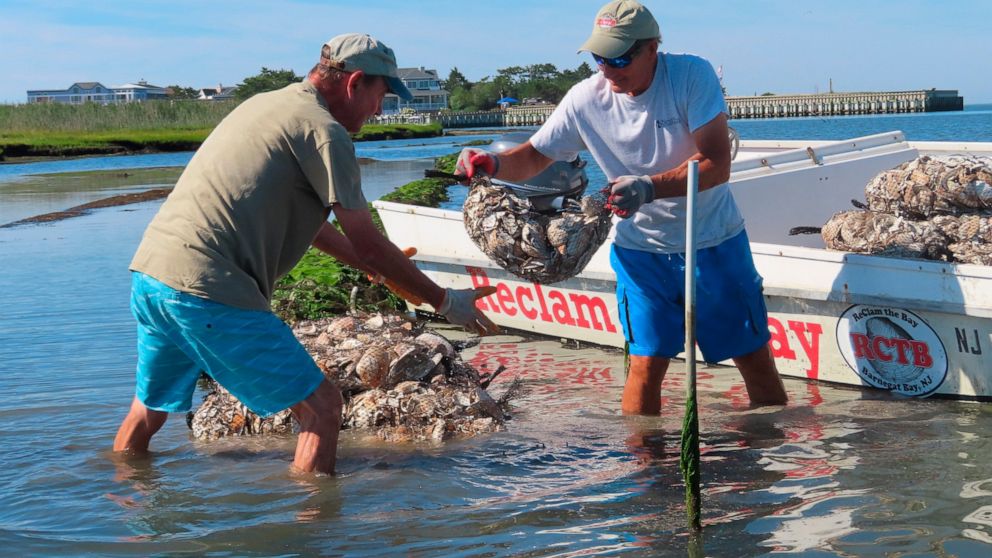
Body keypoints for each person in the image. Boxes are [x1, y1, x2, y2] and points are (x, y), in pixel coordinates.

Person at [114, 33, 497, 474]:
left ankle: (125, 506)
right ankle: (312, 532)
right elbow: (370, 241)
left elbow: (312, 226)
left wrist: (378, 270)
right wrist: (447, 302)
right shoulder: (325, 132)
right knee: (322, 409)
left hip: (152, 276)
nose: (379, 110)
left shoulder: (265, 104)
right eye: (381, 95)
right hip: (209, 289)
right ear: (355, 83)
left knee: (149, 408)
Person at [456, 0, 787, 414]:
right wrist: (494, 163)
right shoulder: (584, 99)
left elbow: (717, 164)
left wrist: (649, 187)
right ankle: (647, 470)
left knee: (753, 359)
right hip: (641, 252)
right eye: (599, 57)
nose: (608, 68)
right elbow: (535, 157)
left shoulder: (690, 76)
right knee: (646, 366)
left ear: (652, 48)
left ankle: (767, 462)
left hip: (713, 242)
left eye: (620, 56)